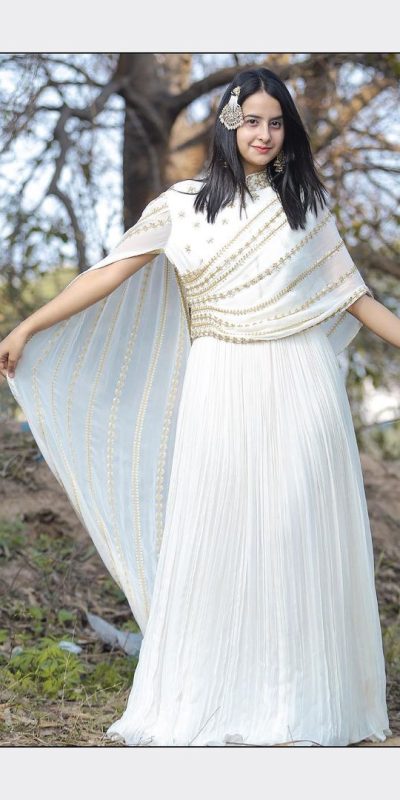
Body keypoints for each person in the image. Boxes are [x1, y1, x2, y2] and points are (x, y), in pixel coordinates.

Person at [0, 67, 398, 747]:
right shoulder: (181, 206)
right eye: (252, 121)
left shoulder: (307, 208)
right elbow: (109, 272)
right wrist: (29, 325)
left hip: (300, 384)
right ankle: (218, 694)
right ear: (228, 124)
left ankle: (302, 701)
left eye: (277, 122)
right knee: (219, 532)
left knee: (292, 534)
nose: (265, 134)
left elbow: (357, 300)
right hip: (219, 382)